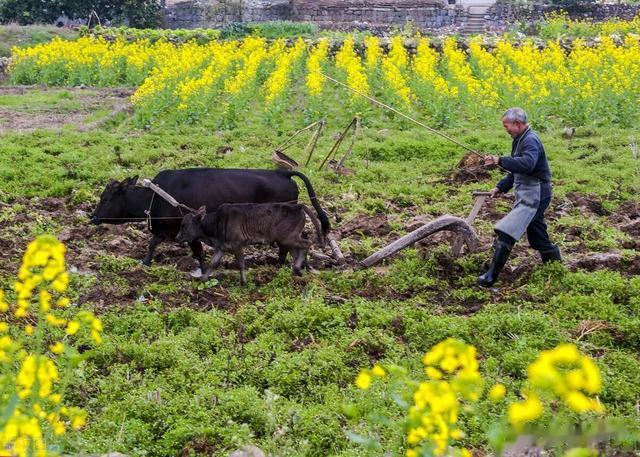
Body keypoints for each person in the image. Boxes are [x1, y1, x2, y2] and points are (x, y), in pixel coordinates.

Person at [478, 108, 561, 287]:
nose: (505, 129)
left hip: (536, 194)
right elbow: (516, 168)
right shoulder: (520, 139)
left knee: (507, 231)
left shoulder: (530, 140)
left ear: (517, 124)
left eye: (506, 125)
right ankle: (556, 267)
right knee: (538, 236)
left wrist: (499, 160)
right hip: (531, 193)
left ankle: (490, 277)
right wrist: (501, 187)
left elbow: (527, 164)